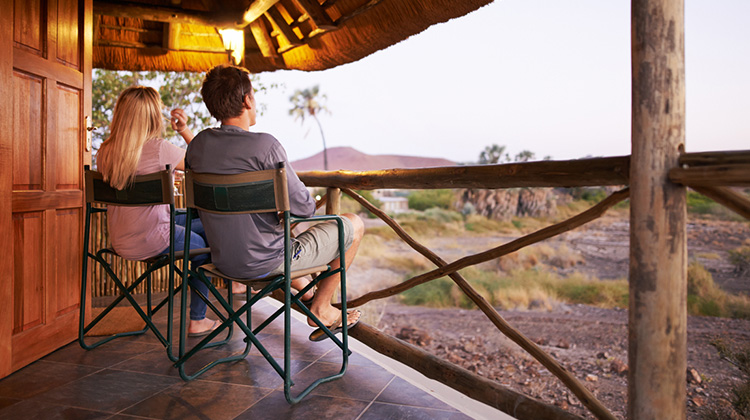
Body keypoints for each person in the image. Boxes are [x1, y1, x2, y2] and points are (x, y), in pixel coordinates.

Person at [185, 64, 364, 341]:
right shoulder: (265, 146)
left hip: (221, 261)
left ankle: (310, 296)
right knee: (353, 224)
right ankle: (322, 307)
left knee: (272, 240)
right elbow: (304, 209)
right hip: (267, 262)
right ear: (247, 99)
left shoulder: (198, 145)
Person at [97, 85, 243, 337]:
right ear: (153, 116)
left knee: (204, 222)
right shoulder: (159, 149)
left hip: (121, 239)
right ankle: (199, 318)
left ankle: (235, 280)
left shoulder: (106, 151)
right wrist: (184, 130)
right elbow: (208, 163)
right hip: (152, 238)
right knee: (205, 246)